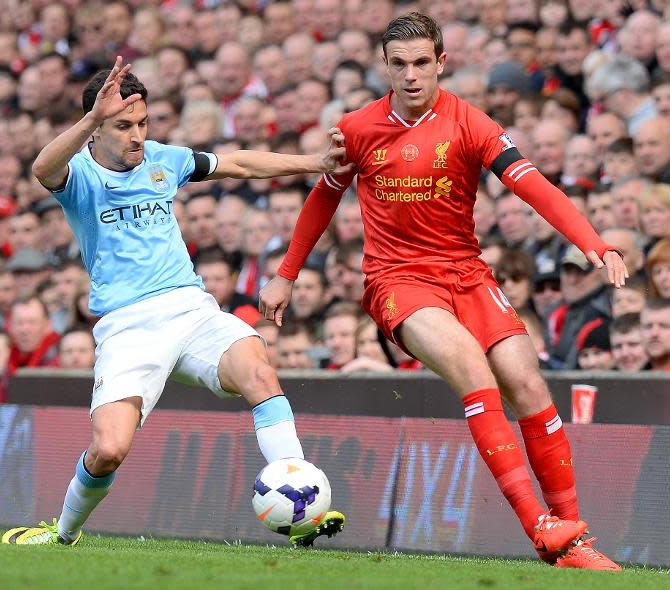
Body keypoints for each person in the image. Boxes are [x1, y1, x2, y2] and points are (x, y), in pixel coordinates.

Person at [260, 13, 625, 570]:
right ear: (385, 65)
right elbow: (322, 198)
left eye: (421, 63)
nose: (410, 76)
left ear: (441, 63)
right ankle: (541, 527)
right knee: (472, 369)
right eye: (399, 64)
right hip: (397, 279)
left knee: (528, 383)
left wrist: (594, 243)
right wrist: (286, 273)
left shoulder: (472, 123)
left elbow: (534, 187)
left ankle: (577, 541)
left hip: (467, 274)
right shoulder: (356, 129)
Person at [2, 58, 350, 548]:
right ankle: (62, 533)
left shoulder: (164, 160)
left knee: (258, 370)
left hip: (190, 309)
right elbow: (41, 168)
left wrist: (315, 163)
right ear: (95, 130)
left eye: (142, 123)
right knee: (108, 450)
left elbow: (240, 163)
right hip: (127, 326)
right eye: (123, 126)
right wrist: (85, 121)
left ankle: (300, 506)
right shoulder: (78, 175)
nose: (137, 135)